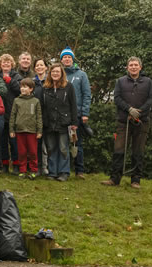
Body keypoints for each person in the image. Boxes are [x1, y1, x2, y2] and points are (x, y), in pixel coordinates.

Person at [101, 57, 152, 189]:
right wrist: (129, 109)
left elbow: (151, 99)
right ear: (127, 67)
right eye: (131, 65)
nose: (133, 67)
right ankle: (115, 179)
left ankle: (135, 180)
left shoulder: (148, 82)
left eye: (136, 65)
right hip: (123, 121)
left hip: (142, 122)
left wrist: (140, 112)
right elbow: (117, 98)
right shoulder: (120, 81)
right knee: (119, 150)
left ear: (140, 67)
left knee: (138, 151)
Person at [41, 63, 78, 182]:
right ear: (50, 74)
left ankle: (64, 172)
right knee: (51, 148)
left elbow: (73, 105)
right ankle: (52, 172)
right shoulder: (45, 88)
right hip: (49, 123)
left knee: (63, 148)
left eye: (57, 72)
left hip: (64, 122)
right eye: (53, 72)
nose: (55, 74)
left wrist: (74, 122)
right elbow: (42, 106)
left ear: (62, 73)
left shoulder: (69, 87)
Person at [61, 46, 91, 179]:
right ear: (61, 60)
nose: (67, 59)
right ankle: (64, 170)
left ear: (72, 59)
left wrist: (85, 113)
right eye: (64, 57)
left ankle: (79, 171)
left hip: (77, 115)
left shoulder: (81, 75)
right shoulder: (59, 74)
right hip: (61, 116)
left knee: (76, 143)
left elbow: (86, 94)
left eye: (69, 57)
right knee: (62, 144)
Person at [9, 78, 42, 180]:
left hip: (32, 131)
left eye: (25, 87)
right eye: (21, 87)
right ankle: (22, 170)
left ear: (31, 89)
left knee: (32, 152)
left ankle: (33, 170)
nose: (22, 89)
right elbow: (13, 115)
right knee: (22, 152)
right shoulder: (17, 100)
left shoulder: (35, 101)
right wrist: (11, 130)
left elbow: (39, 116)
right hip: (20, 130)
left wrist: (39, 130)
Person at [0, 54, 22, 174]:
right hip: (0, 113)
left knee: (14, 142)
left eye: (8, 63)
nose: (6, 64)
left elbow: (20, 90)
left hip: (13, 113)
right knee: (2, 141)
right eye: (3, 62)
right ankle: (4, 165)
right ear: (0, 64)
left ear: (12, 64)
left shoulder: (16, 76)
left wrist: (10, 81)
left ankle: (16, 165)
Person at [33, 58, 50, 175]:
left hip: (48, 116)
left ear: (46, 67)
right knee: (37, 144)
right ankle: (39, 167)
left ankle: (48, 166)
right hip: (35, 117)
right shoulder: (32, 83)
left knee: (49, 144)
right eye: (37, 65)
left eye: (41, 65)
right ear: (34, 68)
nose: (39, 67)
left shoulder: (50, 81)